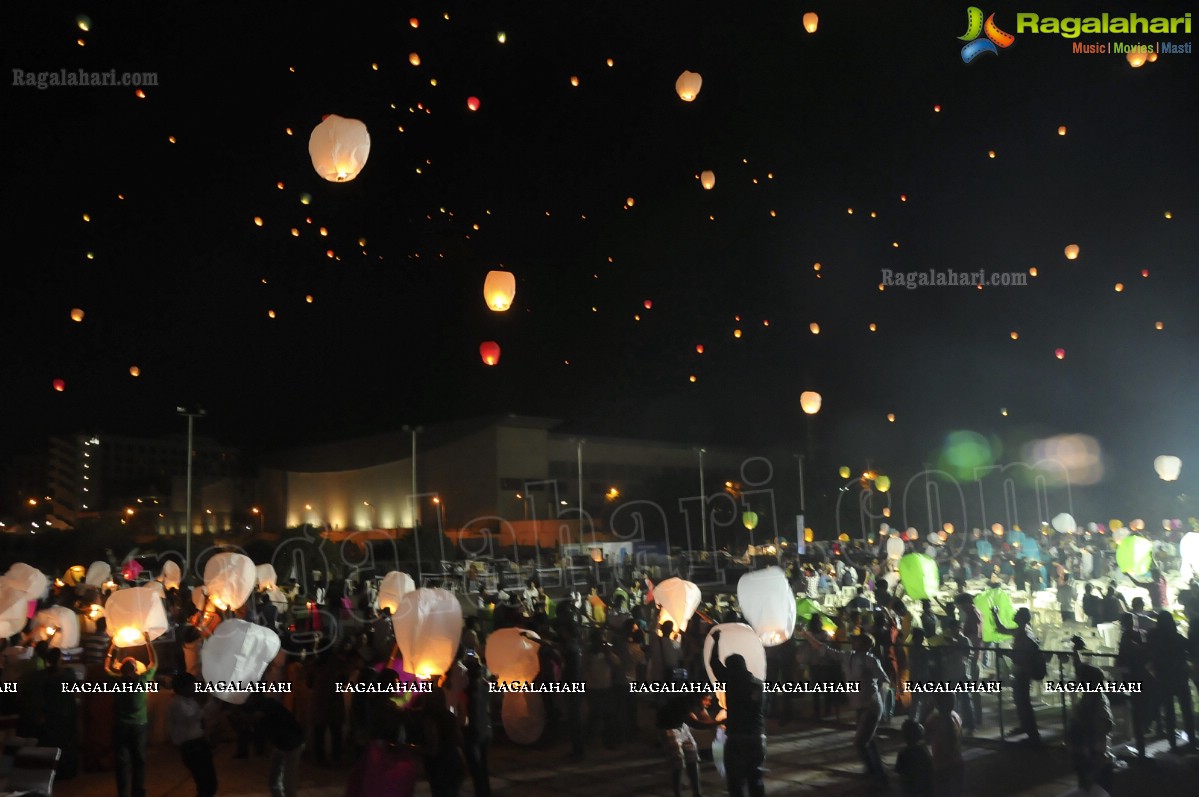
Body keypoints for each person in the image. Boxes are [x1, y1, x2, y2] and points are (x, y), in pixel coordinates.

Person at [804, 630, 889, 785]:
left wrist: (882, 700)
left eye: (856, 640)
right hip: (860, 705)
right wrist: (806, 635)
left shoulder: (870, 660)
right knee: (867, 740)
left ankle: (875, 774)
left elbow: (884, 679)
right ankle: (876, 773)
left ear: (864, 645)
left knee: (860, 742)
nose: (852, 642)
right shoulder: (848, 656)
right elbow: (823, 649)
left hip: (870, 705)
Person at [709, 628, 766, 797]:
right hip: (757, 736)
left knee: (735, 781)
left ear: (731, 669)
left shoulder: (731, 680)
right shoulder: (758, 684)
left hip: (736, 736)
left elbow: (714, 662)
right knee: (756, 778)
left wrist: (716, 640)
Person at [105, 632, 157, 797]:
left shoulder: (116, 681)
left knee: (122, 763)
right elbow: (154, 662)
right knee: (139, 761)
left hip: (120, 726)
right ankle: (138, 792)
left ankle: (123, 793)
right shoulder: (143, 680)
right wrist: (148, 642)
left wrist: (112, 646)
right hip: (139, 726)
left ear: (121, 669)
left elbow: (106, 666)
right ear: (135, 669)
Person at [991, 607, 1045, 746]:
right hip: (1021, 671)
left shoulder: (1025, 635)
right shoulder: (1023, 631)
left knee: (1023, 703)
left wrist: (1007, 653)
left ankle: (1033, 735)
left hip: (1023, 672)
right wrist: (995, 614)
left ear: (1021, 618)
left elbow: (1022, 657)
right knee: (1020, 702)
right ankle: (1026, 728)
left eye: (1017, 614)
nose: (1014, 615)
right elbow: (1002, 629)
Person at [1148, 611, 1196, 750]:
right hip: (1180, 677)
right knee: (1186, 709)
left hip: (1163, 678)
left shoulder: (1155, 638)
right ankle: (1191, 739)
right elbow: (1190, 647)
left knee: (1168, 711)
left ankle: (1172, 741)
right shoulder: (1176, 637)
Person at [242, 695, 305, 797]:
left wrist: (238, 714)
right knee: (273, 781)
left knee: (288, 783)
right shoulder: (257, 707)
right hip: (281, 744)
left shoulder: (268, 703)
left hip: (292, 744)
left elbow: (257, 717)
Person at [656, 687, 712, 797]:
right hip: (668, 728)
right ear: (699, 698)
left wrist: (718, 724)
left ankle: (697, 793)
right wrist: (720, 722)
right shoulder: (685, 704)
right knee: (678, 761)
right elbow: (697, 724)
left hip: (681, 726)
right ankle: (677, 793)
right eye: (707, 699)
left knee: (693, 756)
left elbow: (706, 720)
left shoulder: (695, 703)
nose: (709, 702)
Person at [168, 674, 217, 797]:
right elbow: (189, 719)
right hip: (191, 747)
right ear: (183, 688)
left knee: (209, 783)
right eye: (192, 685)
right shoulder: (177, 703)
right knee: (206, 784)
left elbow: (202, 716)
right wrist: (203, 704)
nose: (195, 688)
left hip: (198, 743)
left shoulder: (190, 701)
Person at [460, 653, 492, 797]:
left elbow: (463, 715)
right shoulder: (483, 685)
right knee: (483, 766)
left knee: (476, 769)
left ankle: (481, 792)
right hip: (484, 728)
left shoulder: (465, 693)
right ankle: (486, 792)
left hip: (471, 733)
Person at [924, 693, 964, 797]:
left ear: (937, 704)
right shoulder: (956, 716)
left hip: (941, 764)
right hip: (957, 761)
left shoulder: (934, 719)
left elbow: (926, 737)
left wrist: (928, 709)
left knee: (942, 791)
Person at [894, 720, 933, 797]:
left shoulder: (903, 753)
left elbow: (900, 773)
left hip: (910, 786)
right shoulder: (924, 750)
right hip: (924, 785)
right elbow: (930, 768)